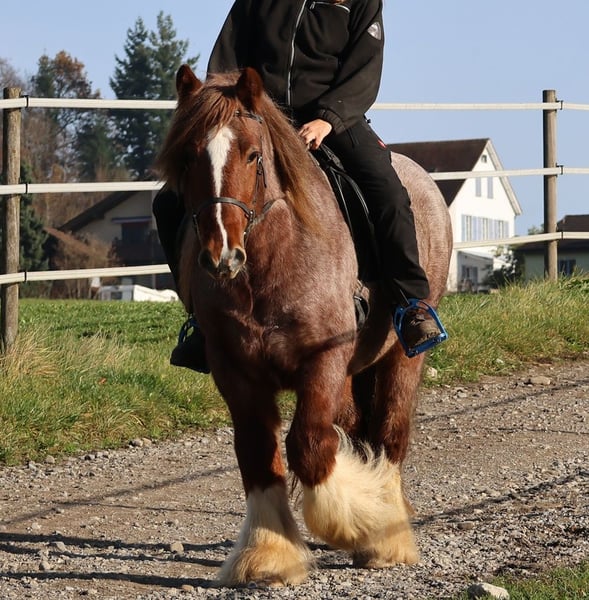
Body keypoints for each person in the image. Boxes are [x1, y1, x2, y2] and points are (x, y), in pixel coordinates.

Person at [153, 0, 445, 372]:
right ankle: (200, 318)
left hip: (331, 120)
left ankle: (411, 304)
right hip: (256, 116)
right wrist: (227, 111)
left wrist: (328, 119)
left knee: (388, 190)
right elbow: (226, 58)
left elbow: (365, 69)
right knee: (168, 203)